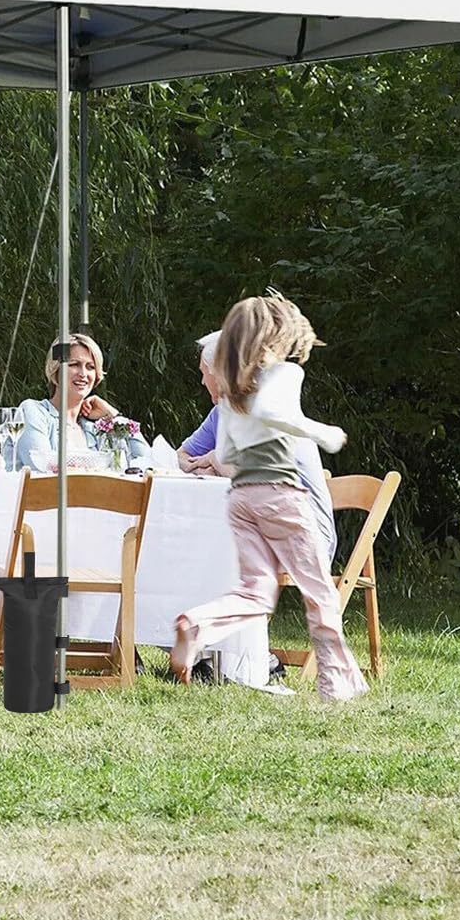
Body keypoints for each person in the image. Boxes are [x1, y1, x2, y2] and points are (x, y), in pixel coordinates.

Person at [170, 293, 364, 703]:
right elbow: (279, 414)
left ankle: (198, 623)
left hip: (242, 501)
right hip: (282, 498)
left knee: (255, 592)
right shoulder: (283, 374)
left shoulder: (232, 392)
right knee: (319, 592)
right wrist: (323, 433)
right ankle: (333, 684)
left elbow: (224, 454)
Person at [12, 333, 149, 469]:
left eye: (90, 367)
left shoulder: (94, 429)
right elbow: (41, 467)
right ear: (55, 370)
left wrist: (114, 415)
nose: (83, 373)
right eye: (74, 364)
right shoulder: (32, 411)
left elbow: (146, 462)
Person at [177, 331, 227, 475]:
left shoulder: (264, 412)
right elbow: (181, 455)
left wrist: (215, 462)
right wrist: (202, 470)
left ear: (219, 373)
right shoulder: (219, 413)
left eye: (204, 373)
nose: (203, 382)